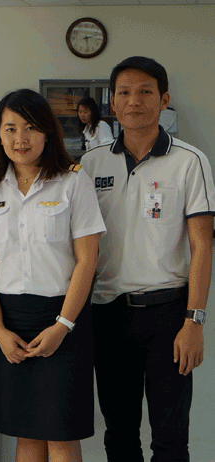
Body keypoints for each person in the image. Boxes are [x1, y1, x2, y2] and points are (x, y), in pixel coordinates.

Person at [81, 56, 215, 462]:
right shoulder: (91, 163)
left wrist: (195, 321)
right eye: (124, 92)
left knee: (170, 439)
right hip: (108, 315)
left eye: (145, 92)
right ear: (112, 104)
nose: (134, 101)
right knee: (118, 435)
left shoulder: (189, 161)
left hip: (168, 314)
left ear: (164, 100)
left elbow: (203, 246)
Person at [0, 89, 105, 462]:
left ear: (48, 132)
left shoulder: (73, 182)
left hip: (65, 316)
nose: (20, 139)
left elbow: (87, 260)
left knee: (62, 436)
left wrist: (62, 325)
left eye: (30, 128)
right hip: (11, 320)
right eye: (10, 128)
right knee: (26, 435)